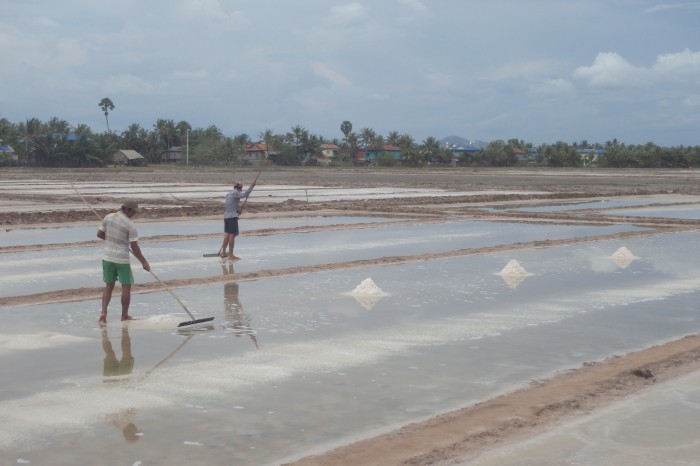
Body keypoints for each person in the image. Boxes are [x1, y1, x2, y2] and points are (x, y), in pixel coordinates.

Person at [97, 200, 150, 323]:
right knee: (126, 287)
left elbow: (99, 234)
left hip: (107, 258)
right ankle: (124, 316)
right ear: (127, 209)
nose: (134, 214)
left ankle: (103, 313)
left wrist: (112, 239)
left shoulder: (108, 217)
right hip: (121, 260)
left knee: (109, 286)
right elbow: (134, 247)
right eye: (134, 212)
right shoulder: (130, 225)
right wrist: (144, 262)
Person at [220, 179, 256, 260]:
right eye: (242, 187)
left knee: (227, 235)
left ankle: (223, 253)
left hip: (226, 217)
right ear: (240, 188)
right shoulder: (236, 193)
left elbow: (231, 204)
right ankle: (231, 255)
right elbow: (245, 195)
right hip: (232, 217)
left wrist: (237, 210)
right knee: (232, 235)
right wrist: (252, 186)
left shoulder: (229, 194)